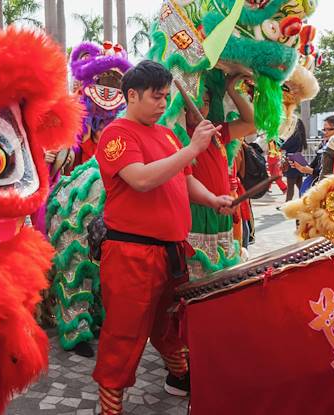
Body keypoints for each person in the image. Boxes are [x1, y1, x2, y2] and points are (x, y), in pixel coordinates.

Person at [92, 60, 233, 414]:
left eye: (166, 96)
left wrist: (213, 199)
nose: (162, 103)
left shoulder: (167, 135)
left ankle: (179, 376)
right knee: (124, 331)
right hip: (131, 253)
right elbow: (140, 179)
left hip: (171, 251)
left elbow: (184, 180)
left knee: (170, 323)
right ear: (132, 95)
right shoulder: (117, 134)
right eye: (156, 97)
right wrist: (192, 149)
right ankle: (111, 405)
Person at [183, 74, 256, 279]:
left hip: (222, 211)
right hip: (195, 215)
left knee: (223, 275)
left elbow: (251, 123)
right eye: (196, 101)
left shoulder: (216, 131)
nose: (202, 108)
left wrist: (232, 89)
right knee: (198, 278)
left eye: (206, 102)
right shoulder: (178, 133)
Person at [291, 115, 334, 192]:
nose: (325, 133)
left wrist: (310, 171)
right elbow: (315, 165)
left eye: (329, 129)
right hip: (316, 186)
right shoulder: (323, 144)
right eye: (324, 129)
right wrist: (301, 166)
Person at [281, 119, 308, 202]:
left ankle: (287, 205)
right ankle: (306, 202)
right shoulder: (300, 135)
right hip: (298, 158)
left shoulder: (294, 136)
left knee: (291, 185)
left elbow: (283, 146)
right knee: (299, 184)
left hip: (292, 160)